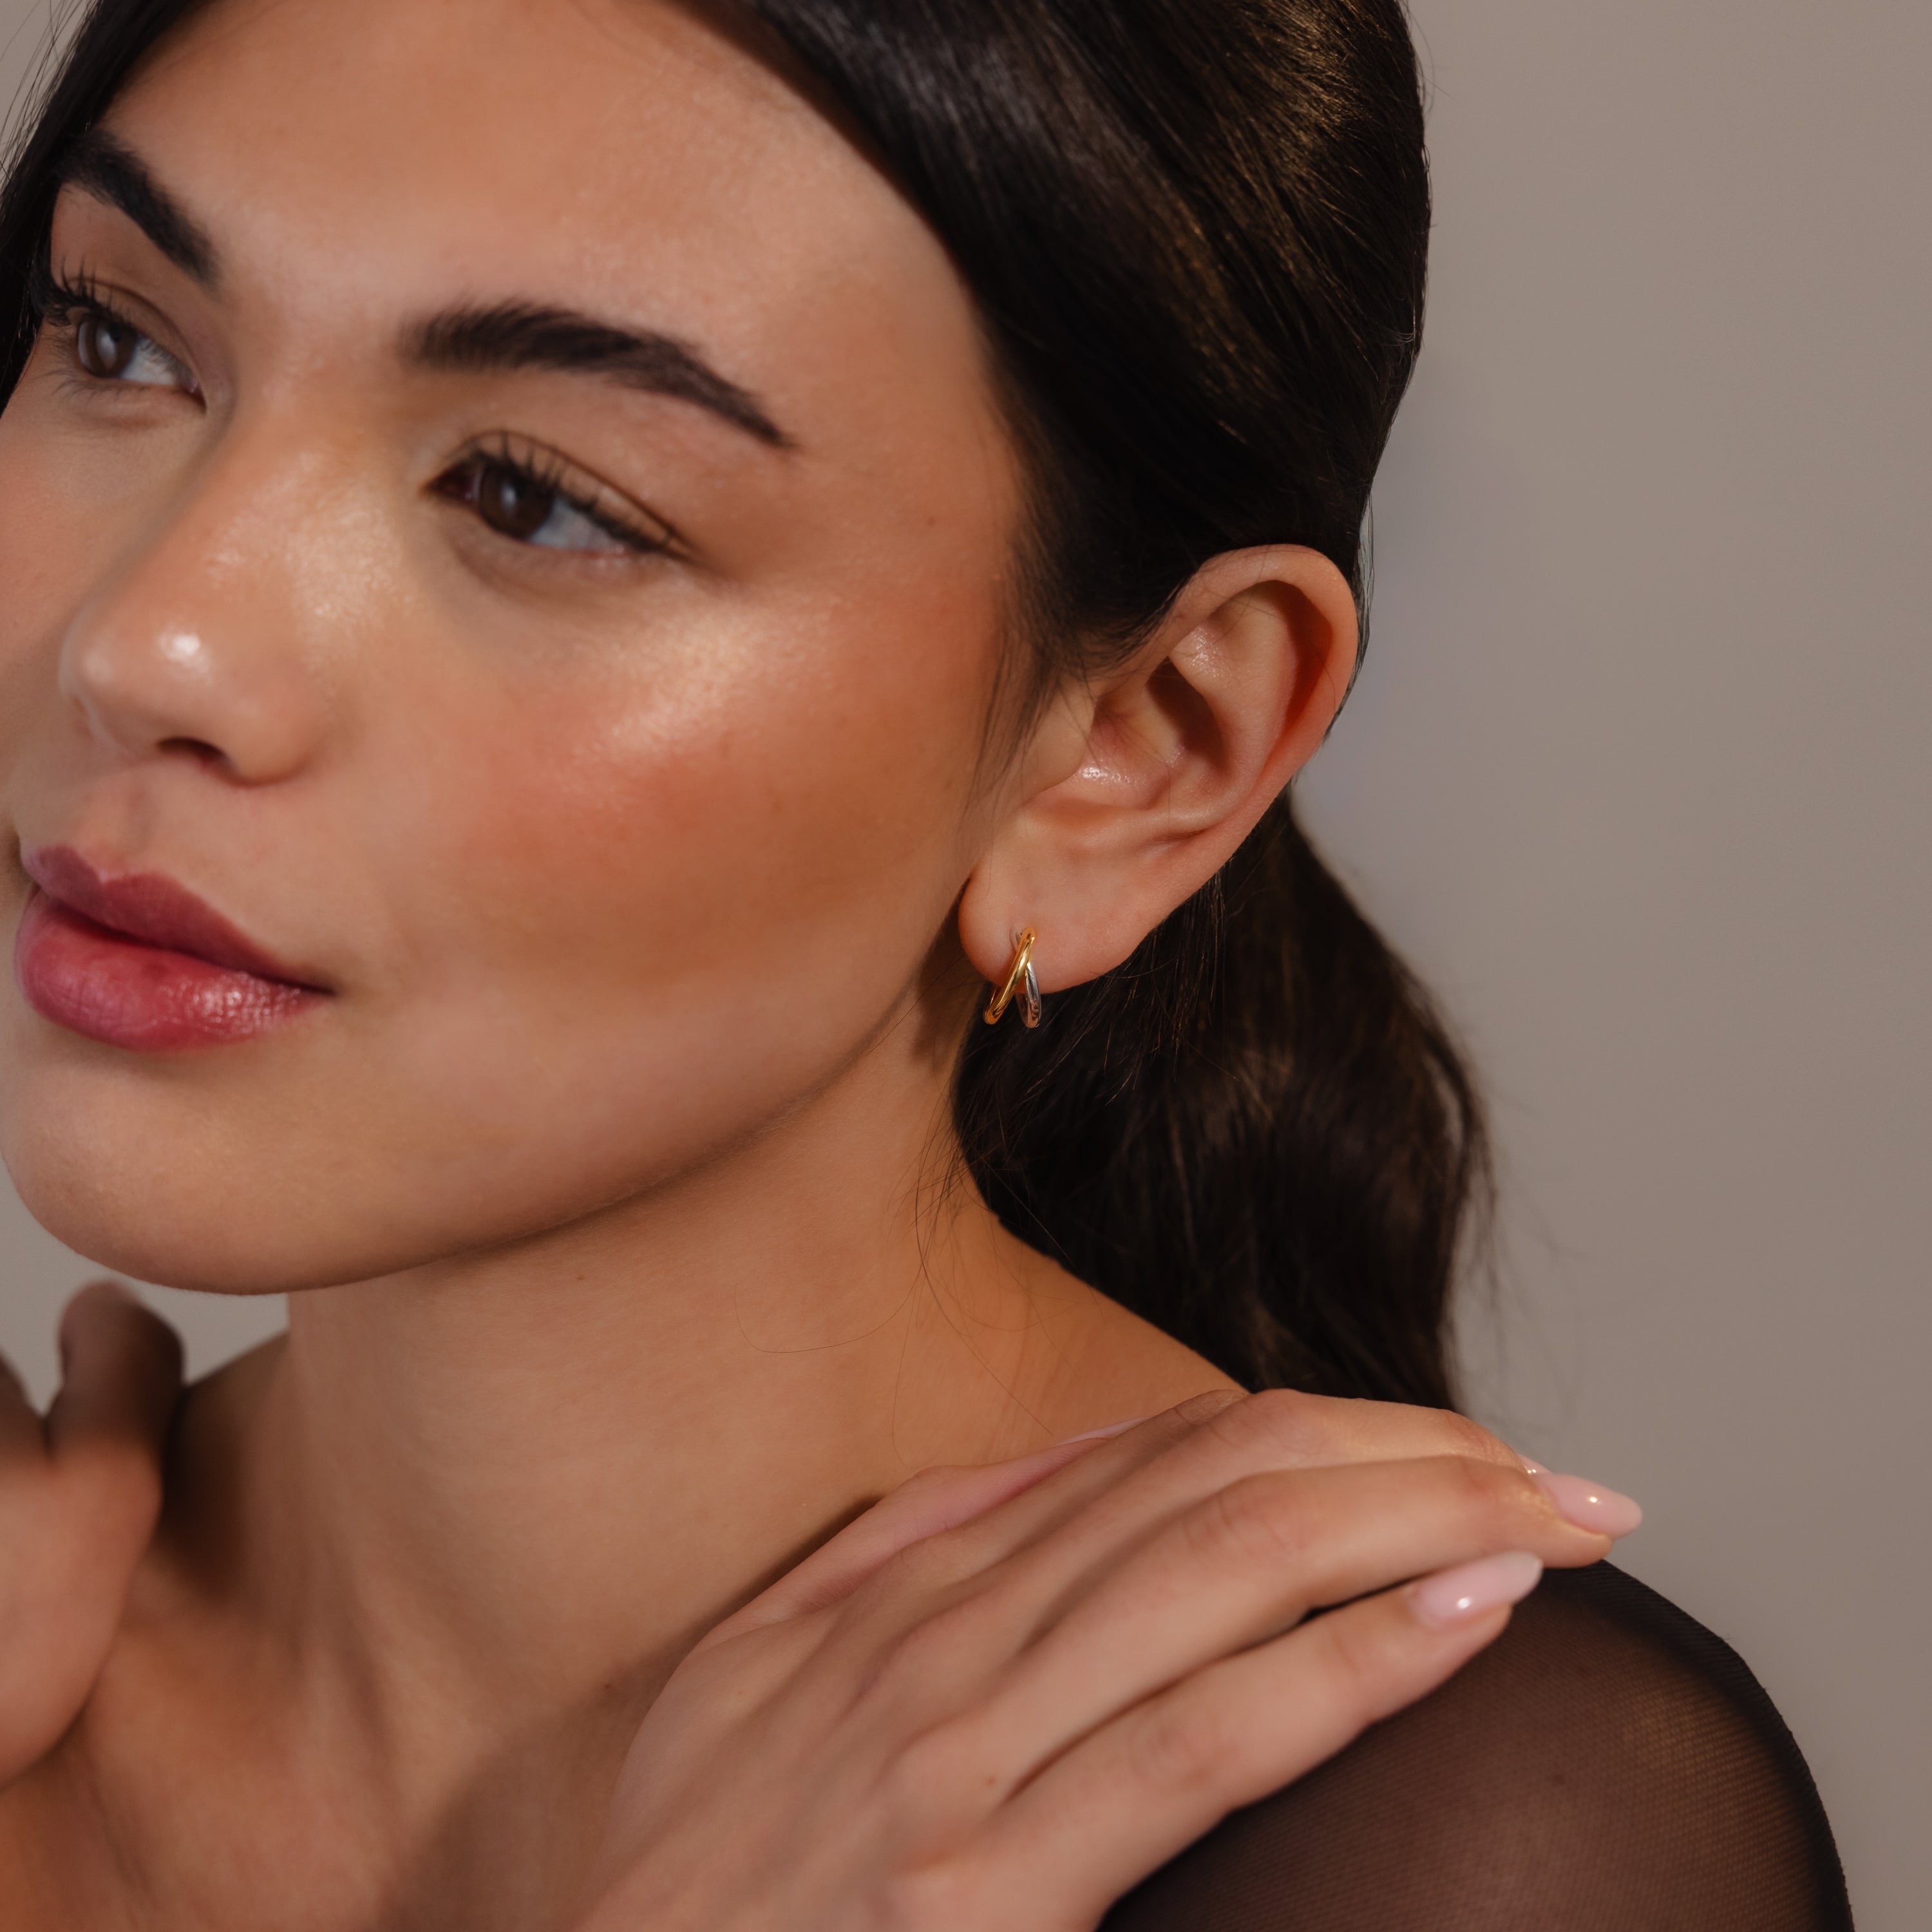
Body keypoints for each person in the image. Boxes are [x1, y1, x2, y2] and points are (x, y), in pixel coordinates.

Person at [0, 0, 1851, 1925]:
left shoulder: (1466, 1845)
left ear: (1140, 748)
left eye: (538, 498)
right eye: (118, 340)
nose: (150, 647)